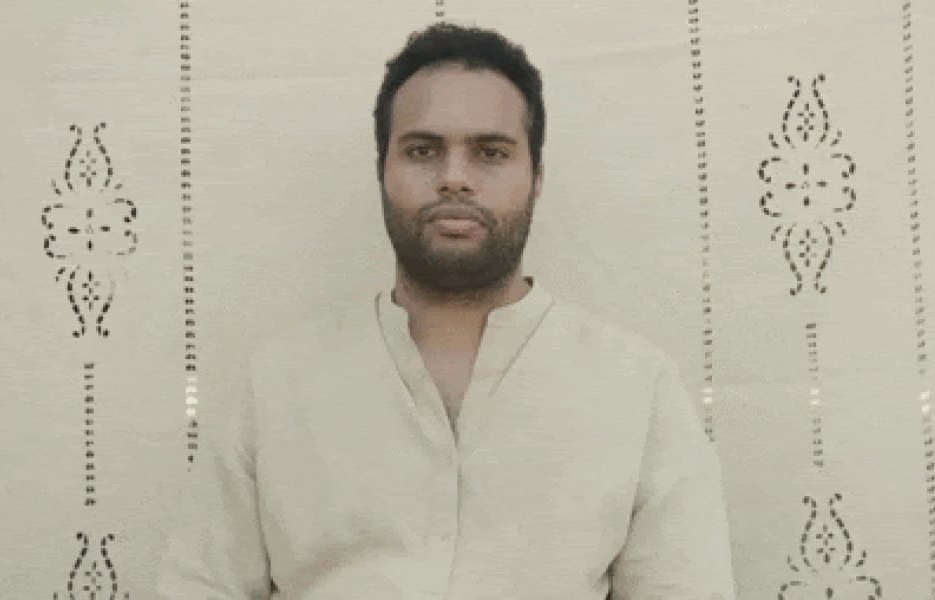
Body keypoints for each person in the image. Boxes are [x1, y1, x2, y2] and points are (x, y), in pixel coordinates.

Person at [157, 22, 736, 600]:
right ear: (382, 170)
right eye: (423, 151)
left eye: (490, 153)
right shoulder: (277, 387)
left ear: (536, 178)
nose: (454, 178)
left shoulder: (635, 389)